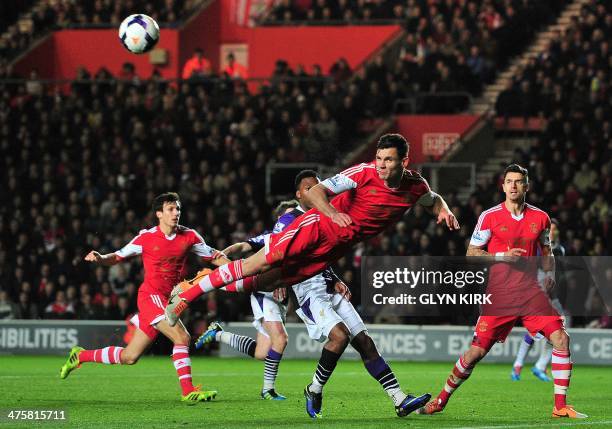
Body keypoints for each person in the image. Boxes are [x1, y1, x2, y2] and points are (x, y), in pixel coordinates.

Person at [168, 134, 459, 416]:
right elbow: (316, 192)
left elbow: (432, 199)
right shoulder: (362, 173)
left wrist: (443, 211)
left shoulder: (415, 186)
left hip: (331, 253)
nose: (381, 165)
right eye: (379, 158)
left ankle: (395, 399)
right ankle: (189, 293)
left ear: (404, 162)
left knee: (270, 283)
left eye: (389, 160)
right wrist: (332, 214)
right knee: (257, 266)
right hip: (316, 229)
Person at [197, 170, 426, 417]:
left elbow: (322, 255)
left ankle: (399, 399)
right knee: (338, 337)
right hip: (308, 290)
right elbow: (278, 249)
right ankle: (308, 389)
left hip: (327, 286)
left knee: (365, 343)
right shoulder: (290, 218)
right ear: (299, 194)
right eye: (309, 188)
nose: (316, 191)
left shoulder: (325, 213)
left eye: (317, 186)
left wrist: (335, 278)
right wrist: (279, 277)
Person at [417, 164, 587, 419]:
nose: (514, 186)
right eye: (509, 181)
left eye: (519, 181)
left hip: (532, 294)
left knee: (561, 339)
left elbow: (547, 250)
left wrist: (549, 274)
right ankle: (440, 400)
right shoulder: (490, 216)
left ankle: (560, 406)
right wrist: (502, 256)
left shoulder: (541, 218)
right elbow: (472, 254)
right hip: (500, 296)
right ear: (503, 185)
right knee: (475, 353)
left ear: (526, 186)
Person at [59, 192, 227, 405]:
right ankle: (188, 391)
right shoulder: (146, 238)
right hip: (150, 297)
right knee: (182, 338)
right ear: (159, 214)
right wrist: (101, 258)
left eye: (178, 209)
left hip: (169, 300)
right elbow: (118, 256)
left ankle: (80, 356)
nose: (176, 213)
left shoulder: (190, 236)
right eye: (171, 209)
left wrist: (241, 268)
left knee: (130, 357)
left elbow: (214, 257)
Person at [511, 219, 569, 382]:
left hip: (552, 294)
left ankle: (534, 365)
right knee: (545, 328)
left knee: (556, 327)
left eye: (556, 230)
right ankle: (524, 365)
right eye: (551, 230)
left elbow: (557, 273)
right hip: (538, 290)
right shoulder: (539, 248)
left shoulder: (560, 250)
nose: (554, 232)